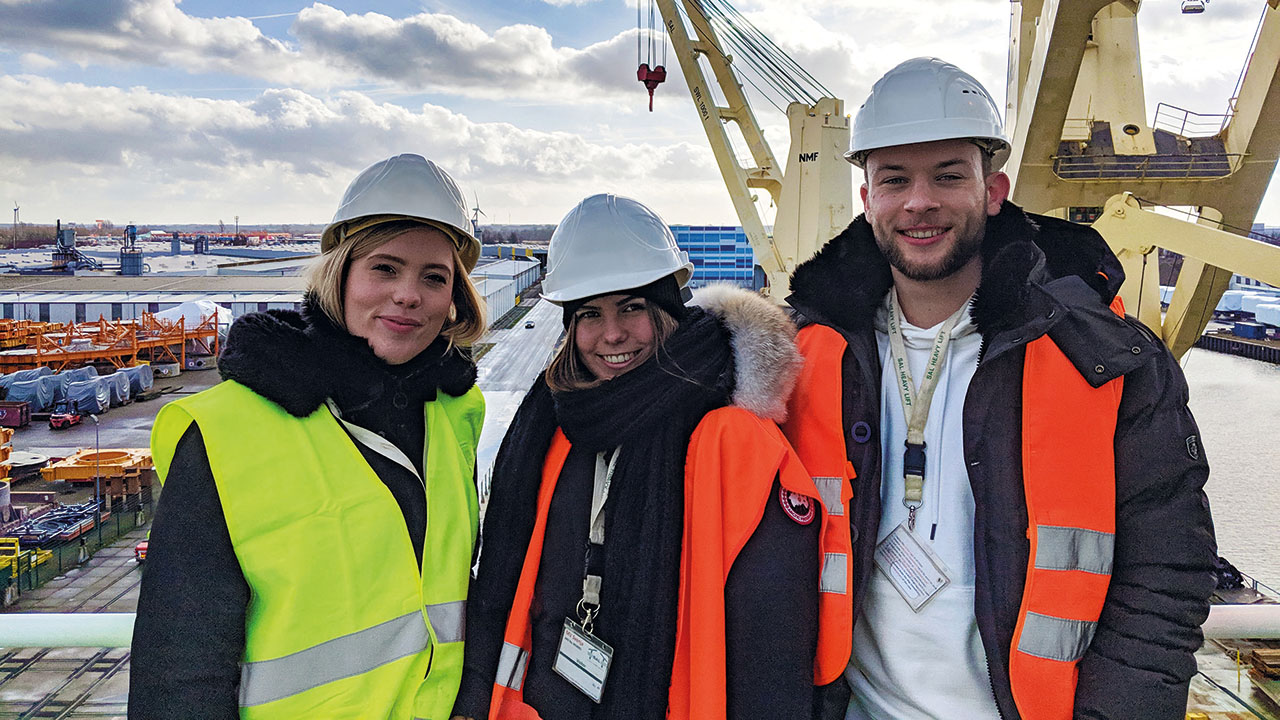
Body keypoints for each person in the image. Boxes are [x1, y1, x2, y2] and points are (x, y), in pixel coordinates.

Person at [782, 57, 1217, 719]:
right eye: (895, 179)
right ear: (868, 200)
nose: (920, 201)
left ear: (994, 190)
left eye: (948, 176)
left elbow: (1164, 580)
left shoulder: (1107, 361)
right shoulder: (806, 354)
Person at [451, 193, 851, 720]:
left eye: (632, 307)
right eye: (590, 313)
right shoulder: (554, 418)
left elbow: (771, 633)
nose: (612, 334)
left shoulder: (729, 435)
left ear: (667, 309)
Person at [130, 153, 488, 719]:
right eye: (385, 269)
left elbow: (451, 586)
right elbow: (179, 664)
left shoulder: (453, 411)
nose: (408, 295)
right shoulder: (229, 430)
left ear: (454, 299)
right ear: (339, 273)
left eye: (434, 277)